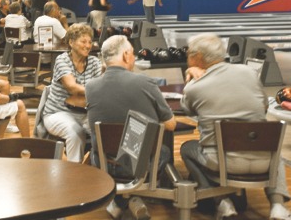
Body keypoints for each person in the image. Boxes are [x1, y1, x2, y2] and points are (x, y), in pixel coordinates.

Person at [180, 33, 291, 220]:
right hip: (264, 162)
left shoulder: (195, 87)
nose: (186, 56)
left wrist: (190, 79)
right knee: (273, 151)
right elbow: (263, 106)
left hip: (222, 163)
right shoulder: (249, 73)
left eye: (189, 53)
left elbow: (187, 110)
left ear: (197, 57)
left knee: (187, 148)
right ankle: (277, 207)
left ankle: (222, 201)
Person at [86, 35, 176, 219]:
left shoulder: (90, 86)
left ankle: (123, 200)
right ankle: (137, 196)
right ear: (126, 55)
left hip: (105, 164)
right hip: (140, 167)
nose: (134, 58)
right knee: (163, 151)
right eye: (133, 54)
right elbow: (170, 124)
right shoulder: (145, 83)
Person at [41, 23, 101, 162]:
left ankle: (96, 168)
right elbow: (72, 87)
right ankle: (74, 174)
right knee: (76, 133)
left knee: (103, 135)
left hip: (85, 113)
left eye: (90, 42)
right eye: (83, 41)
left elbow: (101, 87)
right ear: (71, 42)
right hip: (58, 112)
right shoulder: (62, 60)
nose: (88, 45)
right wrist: (95, 90)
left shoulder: (94, 62)